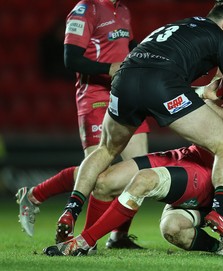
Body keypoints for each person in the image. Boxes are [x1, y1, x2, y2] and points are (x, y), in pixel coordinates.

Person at [43, 73, 223, 256]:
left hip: (214, 181)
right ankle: (89, 244)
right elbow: (202, 92)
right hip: (189, 157)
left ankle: (81, 242)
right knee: (110, 185)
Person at [52, 3, 223, 254]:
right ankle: (222, 214)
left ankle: (70, 209)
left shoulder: (176, 26)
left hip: (125, 79)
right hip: (161, 84)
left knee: (106, 149)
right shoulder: (217, 34)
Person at [16, 0, 150, 249]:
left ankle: (119, 237)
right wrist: (110, 68)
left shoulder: (123, 10)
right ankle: (36, 197)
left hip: (126, 97)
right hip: (96, 97)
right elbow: (71, 59)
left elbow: (127, 46)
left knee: (140, 171)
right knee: (98, 175)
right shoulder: (86, 9)